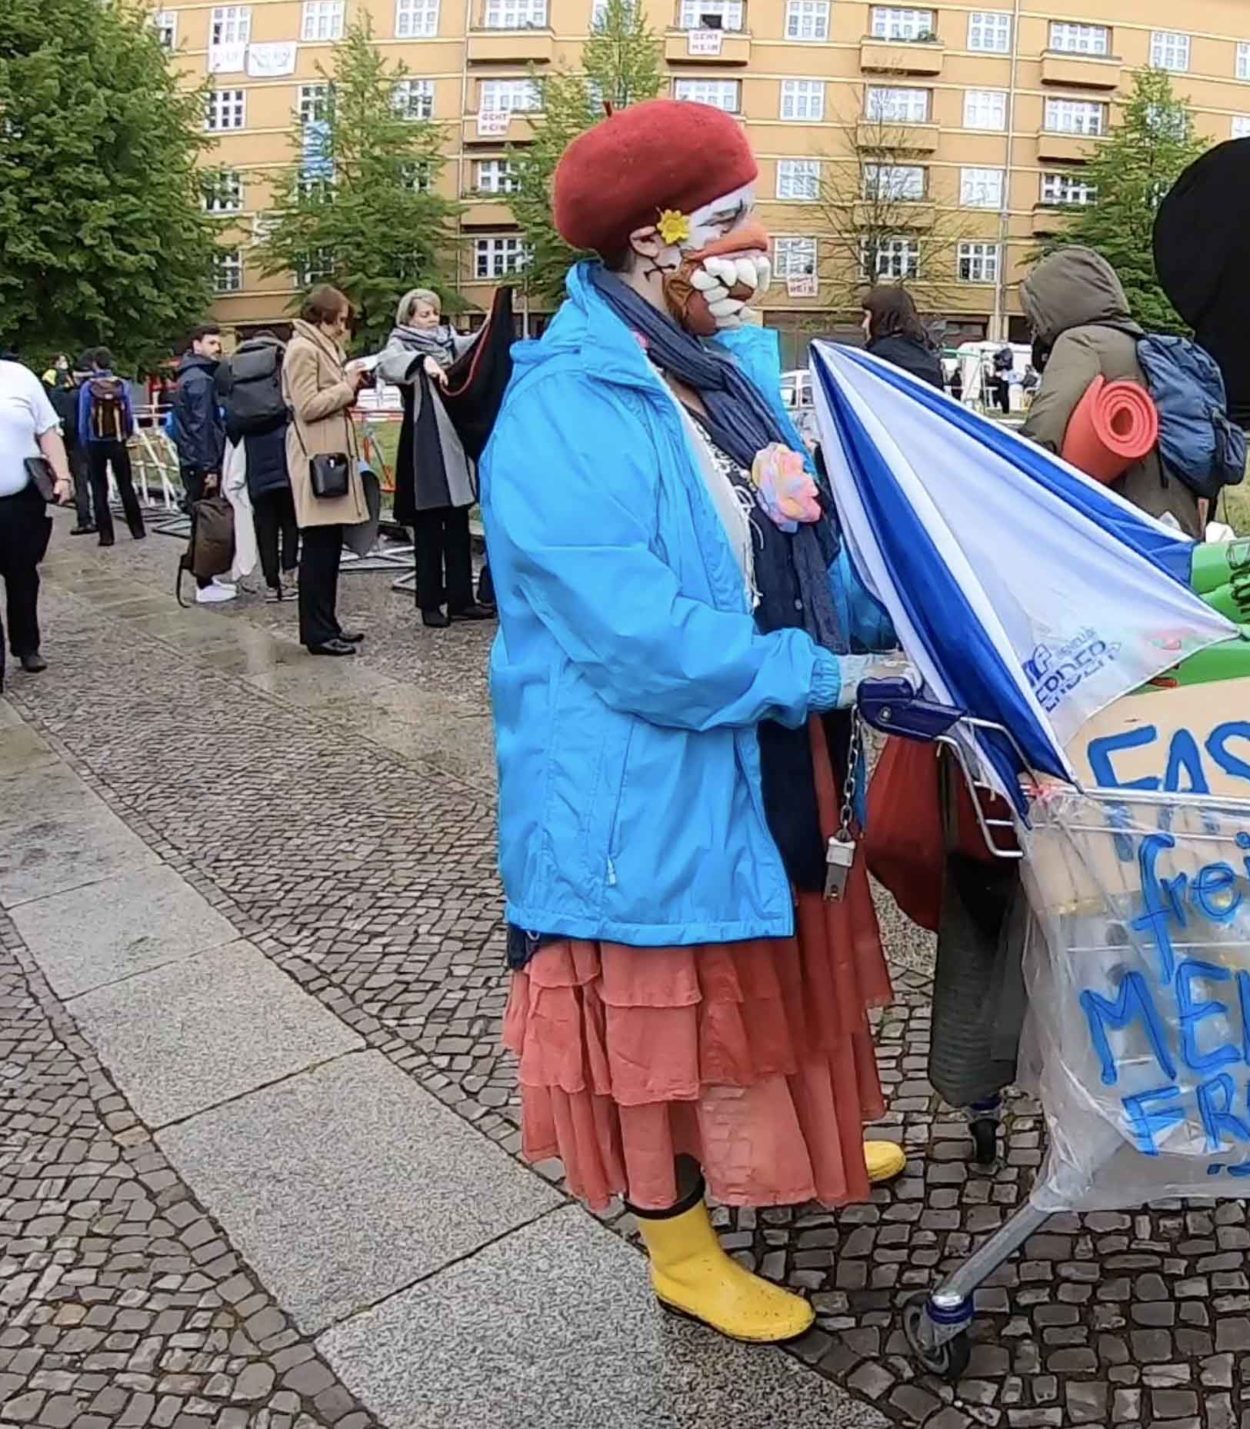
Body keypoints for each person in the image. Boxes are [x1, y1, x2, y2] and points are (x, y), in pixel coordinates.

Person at [479, 98, 909, 1346]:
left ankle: (795, 1145)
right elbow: (636, 637)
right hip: (642, 789)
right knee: (664, 1019)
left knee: (767, 978)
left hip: (757, 756)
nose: (752, 246)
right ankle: (678, 1247)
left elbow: (805, 547)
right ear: (648, 242)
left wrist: (894, 615)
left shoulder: (728, 382)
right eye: (726, 223)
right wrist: (820, 678)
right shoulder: (565, 407)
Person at [1020, 245, 1205, 537]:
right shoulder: (1139, 344)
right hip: (1174, 514)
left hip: (1120, 518)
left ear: (1055, 304)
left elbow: (1044, 430)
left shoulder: (1080, 343)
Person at [376, 289, 496, 629]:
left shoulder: (448, 342)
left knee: (457, 523)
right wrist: (421, 362)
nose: (432, 320)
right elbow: (387, 365)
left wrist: (492, 322)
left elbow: (475, 346)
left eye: (435, 313)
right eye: (425, 314)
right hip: (424, 447)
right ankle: (430, 602)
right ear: (409, 318)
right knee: (429, 528)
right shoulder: (400, 343)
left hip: (454, 445)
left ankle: (461, 600)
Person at [284, 287, 374, 655]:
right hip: (316, 458)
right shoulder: (302, 350)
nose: (343, 328)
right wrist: (347, 387)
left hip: (330, 454)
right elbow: (307, 405)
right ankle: (317, 632)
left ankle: (328, 623)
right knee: (319, 548)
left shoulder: (321, 347)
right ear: (324, 318)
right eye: (340, 320)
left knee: (329, 546)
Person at [2, 353, 76, 685]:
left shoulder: (18, 376)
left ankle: (26, 644)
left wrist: (62, 476)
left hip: (20, 499)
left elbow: (48, 430)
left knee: (22, 576)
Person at [221, 332, 298, 600]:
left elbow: (229, 420)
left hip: (253, 454)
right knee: (290, 520)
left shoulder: (235, 367)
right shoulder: (281, 361)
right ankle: (289, 577)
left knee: (264, 522)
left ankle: (270, 582)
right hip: (284, 449)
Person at [172, 325, 238, 605]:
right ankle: (204, 581)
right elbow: (202, 427)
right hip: (200, 462)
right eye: (211, 342)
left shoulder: (190, 376)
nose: (217, 347)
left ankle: (206, 578)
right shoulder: (200, 380)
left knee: (202, 520)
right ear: (196, 345)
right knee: (207, 522)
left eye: (218, 342)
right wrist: (210, 467)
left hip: (192, 460)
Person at [74, 348, 146, 545]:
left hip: (94, 442)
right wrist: (126, 434)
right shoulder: (122, 384)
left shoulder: (87, 387)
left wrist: (83, 442)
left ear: (94, 364)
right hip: (117, 441)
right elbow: (129, 414)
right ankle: (137, 529)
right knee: (126, 485)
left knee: (99, 488)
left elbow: (83, 419)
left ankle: (106, 535)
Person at [42, 356, 94, 536]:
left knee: (73, 479)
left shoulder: (54, 396)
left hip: (66, 441)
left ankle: (82, 516)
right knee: (89, 480)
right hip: (86, 440)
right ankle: (92, 518)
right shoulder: (82, 393)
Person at [860, 285, 944, 389]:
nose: (863, 325)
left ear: (882, 318)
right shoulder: (927, 354)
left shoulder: (878, 357)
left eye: (867, 316)